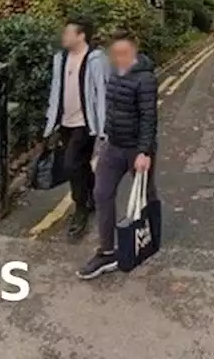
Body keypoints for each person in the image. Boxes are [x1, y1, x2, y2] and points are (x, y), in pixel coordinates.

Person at [77, 30, 159, 280]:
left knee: (145, 194)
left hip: (137, 148)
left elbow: (148, 117)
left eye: (125, 53)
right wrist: (101, 144)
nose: (120, 58)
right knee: (102, 193)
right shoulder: (114, 72)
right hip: (113, 146)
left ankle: (151, 235)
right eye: (116, 53)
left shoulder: (145, 78)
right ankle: (106, 252)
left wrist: (144, 152)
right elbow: (110, 110)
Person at [42, 17, 109, 243]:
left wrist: (103, 127)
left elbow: (102, 92)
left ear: (81, 36)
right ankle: (91, 197)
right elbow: (56, 91)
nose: (64, 36)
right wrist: (50, 123)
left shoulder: (95, 60)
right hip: (64, 123)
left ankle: (80, 209)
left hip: (85, 124)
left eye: (68, 32)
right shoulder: (60, 59)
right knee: (79, 166)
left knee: (71, 165)